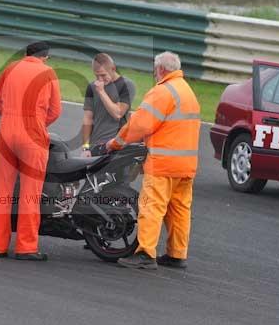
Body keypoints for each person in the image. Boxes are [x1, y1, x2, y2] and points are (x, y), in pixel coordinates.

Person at [107, 51, 200, 270]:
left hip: (164, 164)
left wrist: (115, 143)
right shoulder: (187, 91)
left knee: (151, 207)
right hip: (186, 166)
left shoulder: (163, 91)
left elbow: (140, 125)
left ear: (160, 70)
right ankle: (177, 254)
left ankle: (146, 253)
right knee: (179, 210)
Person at [0, 41, 62, 261]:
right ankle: (26, 247)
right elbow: (56, 111)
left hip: (7, 132)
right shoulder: (48, 73)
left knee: (0, 192)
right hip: (33, 135)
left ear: (26, 54)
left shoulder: (11, 68)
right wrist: (38, 123)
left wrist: (10, 114)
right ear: (45, 57)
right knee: (30, 193)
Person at [81, 53, 136, 157]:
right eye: (97, 75)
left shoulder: (127, 85)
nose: (100, 79)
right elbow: (87, 118)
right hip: (95, 146)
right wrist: (85, 147)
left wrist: (101, 92)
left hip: (117, 145)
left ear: (113, 68)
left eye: (103, 75)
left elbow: (118, 113)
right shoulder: (92, 87)